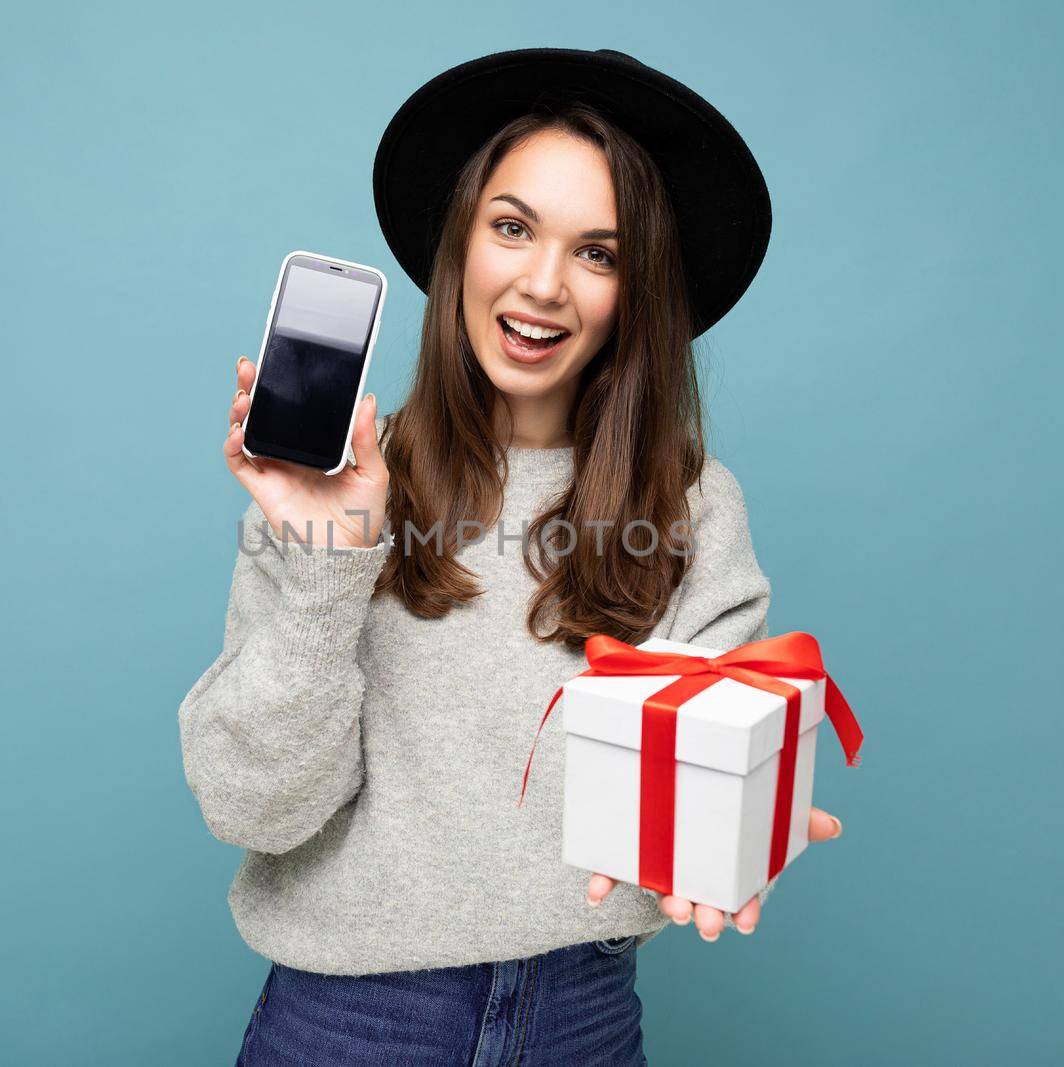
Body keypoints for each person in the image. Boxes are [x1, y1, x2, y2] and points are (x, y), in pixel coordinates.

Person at [181, 47, 847, 1067]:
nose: (542, 284)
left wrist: (735, 823)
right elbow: (253, 807)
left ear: (638, 291)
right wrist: (328, 556)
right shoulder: (334, 481)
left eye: (599, 252)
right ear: (460, 240)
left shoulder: (692, 507)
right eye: (511, 227)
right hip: (349, 1024)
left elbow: (713, 772)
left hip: (581, 1015)